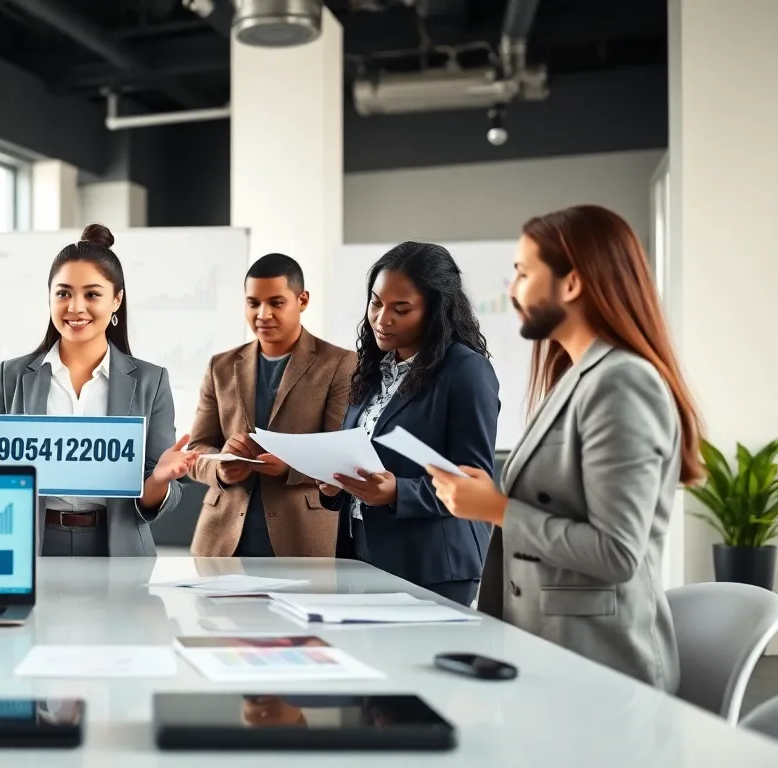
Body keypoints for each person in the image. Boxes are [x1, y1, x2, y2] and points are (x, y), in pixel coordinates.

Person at [427, 205, 700, 692]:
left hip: (599, 669)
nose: (512, 290)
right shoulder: (575, 377)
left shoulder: (622, 383)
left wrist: (498, 510)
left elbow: (617, 553)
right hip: (547, 651)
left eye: (523, 273)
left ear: (571, 284)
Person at [0, 224, 197, 556]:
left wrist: (160, 478)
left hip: (117, 549)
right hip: (32, 546)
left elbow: (153, 498)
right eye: (63, 293)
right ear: (49, 297)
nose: (75, 307)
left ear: (116, 299)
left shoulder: (151, 381)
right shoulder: (12, 375)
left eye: (92, 294)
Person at [317, 242, 500, 607]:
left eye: (401, 309)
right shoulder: (372, 369)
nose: (382, 319)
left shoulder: (465, 371)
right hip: (361, 552)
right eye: (376, 303)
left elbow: (474, 482)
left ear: (435, 312)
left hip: (432, 563)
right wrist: (332, 485)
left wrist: (397, 491)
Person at [187, 253, 354, 557]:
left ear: (302, 300)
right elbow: (196, 451)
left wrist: (288, 466)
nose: (263, 314)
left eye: (276, 303)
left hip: (301, 539)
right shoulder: (220, 366)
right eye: (253, 303)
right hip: (222, 541)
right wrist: (222, 468)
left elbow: (341, 455)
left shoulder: (339, 364)